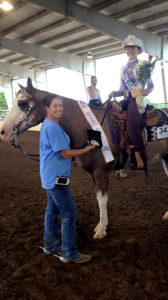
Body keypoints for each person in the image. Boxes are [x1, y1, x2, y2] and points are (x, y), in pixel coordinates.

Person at [40, 93, 96, 264]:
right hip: (56, 177)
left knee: (52, 211)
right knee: (69, 212)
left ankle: (50, 246)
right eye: (55, 106)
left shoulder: (48, 125)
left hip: (51, 175)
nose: (59, 109)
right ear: (47, 108)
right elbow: (65, 153)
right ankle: (69, 252)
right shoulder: (53, 127)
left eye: (61, 106)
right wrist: (86, 150)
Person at [108, 34, 154, 170]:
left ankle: (139, 152)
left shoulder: (143, 65)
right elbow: (122, 89)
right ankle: (116, 148)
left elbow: (151, 85)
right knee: (108, 114)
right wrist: (114, 93)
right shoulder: (122, 69)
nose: (130, 51)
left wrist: (147, 91)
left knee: (132, 124)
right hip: (126, 98)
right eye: (128, 48)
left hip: (137, 99)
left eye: (133, 48)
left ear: (138, 50)